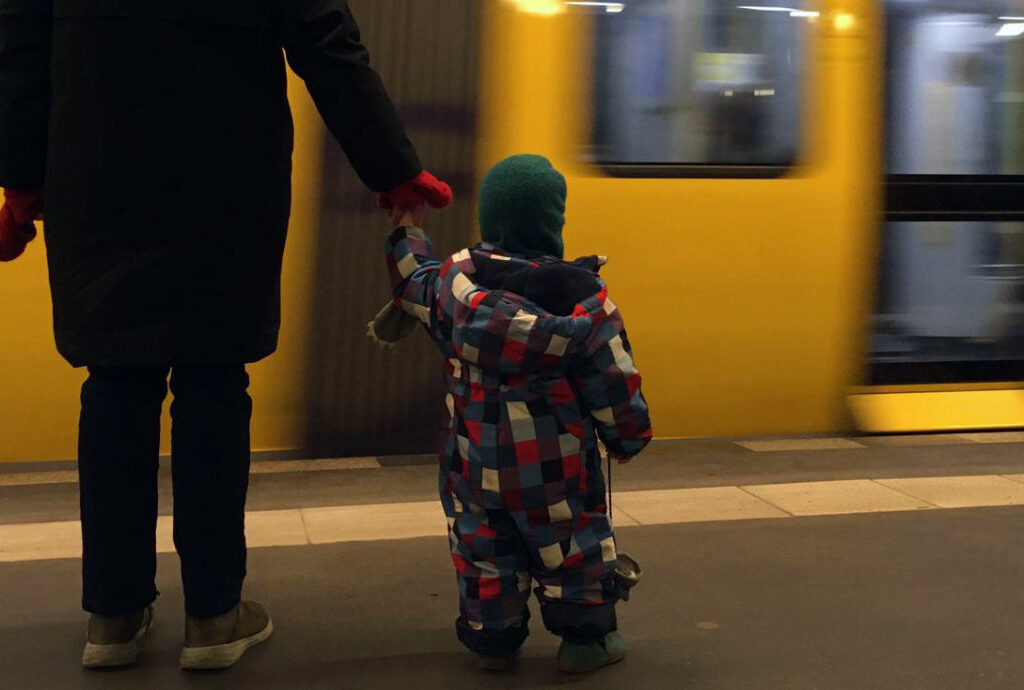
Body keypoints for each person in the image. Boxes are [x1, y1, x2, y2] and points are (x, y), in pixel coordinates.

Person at [0, 0, 451, 671]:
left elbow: (20, 52)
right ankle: (214, 618)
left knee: (115, 383)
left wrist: (25, 179)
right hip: (227, 184)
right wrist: (390, 168)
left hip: (98, 179)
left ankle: (113, 616)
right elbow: (328, 43)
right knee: (213, 384)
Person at [374, 154, 652, 673]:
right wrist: (627, 438)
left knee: (484, 550)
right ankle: (586, 643)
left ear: (489, 221)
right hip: (556, 473)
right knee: (572, 550)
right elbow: (616, 384)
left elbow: (413, 279)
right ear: (554, 224)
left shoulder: (452, 294)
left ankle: (494, 641)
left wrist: (406, 226)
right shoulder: (587, 310)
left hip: (473, 467)